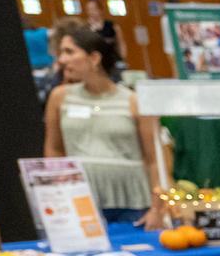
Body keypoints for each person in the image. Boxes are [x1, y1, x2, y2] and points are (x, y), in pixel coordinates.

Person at [43, 27, 165, 227]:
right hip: (80, 202)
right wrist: (56, 196)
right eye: (61, 52)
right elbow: (54, 149)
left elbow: (155, 160)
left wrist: (157, 208)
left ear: (94, 58)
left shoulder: (134, 101)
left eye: (69, 52)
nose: (62, 60)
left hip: (133, 205)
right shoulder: (59, 97)